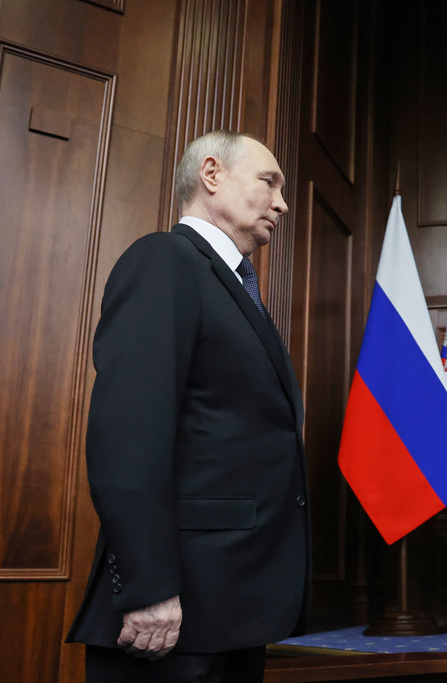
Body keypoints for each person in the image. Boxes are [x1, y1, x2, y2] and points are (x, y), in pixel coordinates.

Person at [66, 130, 310, 682]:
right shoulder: (164, 260)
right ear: (211, 175)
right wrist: (150, 586)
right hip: (170, 613)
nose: (282, 203)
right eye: (269, 182)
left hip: (230, 605)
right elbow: (127, 436)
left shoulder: (229, 281)